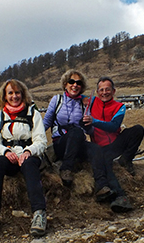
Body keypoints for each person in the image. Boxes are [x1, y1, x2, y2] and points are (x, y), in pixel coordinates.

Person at [0, 79, 48, 238]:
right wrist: (5, 152)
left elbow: (41, 141)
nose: (14, 96)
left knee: (30, 165)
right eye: (10, 93)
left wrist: (28, 151)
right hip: (9, 156)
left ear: (23, 94)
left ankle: (39, 214)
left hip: (29, 155)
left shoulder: (33, 113)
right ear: (4, 96)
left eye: (17, 92)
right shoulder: (0, 116)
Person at [43, 69, 115, 202]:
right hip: (61, 143)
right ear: (65, 84)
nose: (75, 85)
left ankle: (101, 186)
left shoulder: (84, 104)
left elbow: (90, 132)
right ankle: (66, 169)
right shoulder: (57, 100)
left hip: (78, 143)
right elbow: (46, 122)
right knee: (76, 131)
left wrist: (88, 125)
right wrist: (35, 139)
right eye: (71, 82)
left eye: (78, 83)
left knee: (95, 149)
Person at [83, 76, 144, 212]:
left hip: (115, 143)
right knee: (105, 162)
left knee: (138, 129)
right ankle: (120, 197)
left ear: (114, 91)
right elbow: (75, 94)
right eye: (101, 90)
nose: (104, 92)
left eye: (107, 89)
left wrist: (94, 121)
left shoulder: (120, 107)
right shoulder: (92, 101)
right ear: (97, 92)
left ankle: (126, 160)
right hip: (99, 147)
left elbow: (114, 126)